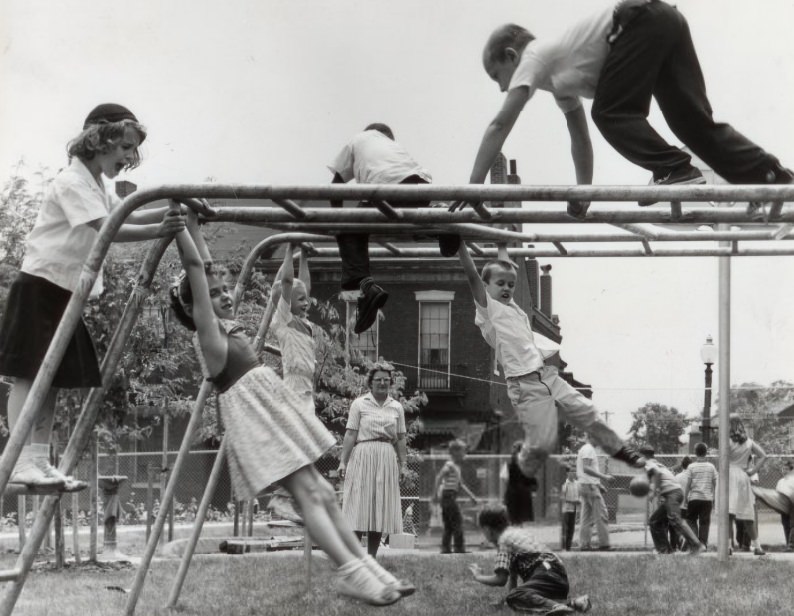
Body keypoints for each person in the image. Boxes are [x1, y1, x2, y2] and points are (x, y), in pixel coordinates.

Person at [169, 215, 411, 605]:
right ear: (196, 304)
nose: (226, 295)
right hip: (256, 420)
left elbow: (205, 264)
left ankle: (367, 566)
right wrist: (180, 224)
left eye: (226, 289)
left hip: (270, 409)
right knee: (309, 495)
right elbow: (196, 267)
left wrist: (195, 223)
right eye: (214, 294)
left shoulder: (227, 325)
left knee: (323, 493)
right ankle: (351, 573)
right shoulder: (208, 335)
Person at [0, 103, 192, 493]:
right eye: (124, 147)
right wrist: (162, 229)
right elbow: (108, 229)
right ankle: (17, 460)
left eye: (132, 151)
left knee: (51, 379)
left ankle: (38, 458)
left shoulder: (94, 185)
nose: (128, 158)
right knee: (30, 376)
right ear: (98, 140)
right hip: (41, 285)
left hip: (66, 290)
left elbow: (125, 215)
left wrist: (167, 216)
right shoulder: (70, 182)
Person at [454, 1, 794, 219]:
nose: (502, 88)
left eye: (498, 76)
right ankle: (772, 177)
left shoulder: (533, 57)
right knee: (692, 125)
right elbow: (580, 139)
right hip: (664, 21)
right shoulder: (559, 79)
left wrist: (473, 185)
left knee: (609, 112)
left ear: (512, 56)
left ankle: (673, 168)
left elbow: (500, 124)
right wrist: (582, 192)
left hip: (639, 20)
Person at [457, 242, 646, 480]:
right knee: (542, 442)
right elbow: (473, 276)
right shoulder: (487, 310)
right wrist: (460, 245)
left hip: (546, 375)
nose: (507, 288)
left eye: (511, 285)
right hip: (524, 384)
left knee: (586, 410)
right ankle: (515, 471)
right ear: (486, 287)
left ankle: (620, 449)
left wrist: (502, 245)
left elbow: (505, 269)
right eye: (500, 284)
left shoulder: (513, 308)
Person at [328, 124, 460, 334]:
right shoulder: (393, 146)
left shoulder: (358, 139)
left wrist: (338, 218)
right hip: (419, 184)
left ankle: (366, 287)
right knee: (408, 223)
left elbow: (336, 184)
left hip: (384, 185)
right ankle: (439, 221)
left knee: (348, 228)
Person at [337, 363, 408, 559]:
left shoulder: (397, 407)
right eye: (378, 379)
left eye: (386, 379)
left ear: (390, 382)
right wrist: (343, 461)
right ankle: (353, 558)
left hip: (386, 457)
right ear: (371, 382)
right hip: (363, 455)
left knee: (379, 508)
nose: (383, 383)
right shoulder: (359, 404)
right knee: (358, 507)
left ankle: (371, 559)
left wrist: (404, 465)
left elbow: (401, 438)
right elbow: (351, 433)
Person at [468, 504, 592, 615]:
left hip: (546, 572)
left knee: (515, 596)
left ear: (488, 530)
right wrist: (508, 601)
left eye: (482, 530)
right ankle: (575, 603)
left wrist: (478, 576)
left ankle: (555, 607)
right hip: (559, 578)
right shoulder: (515, 535)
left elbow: (501, 580)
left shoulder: (504, 541)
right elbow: (513, 578)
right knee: (521, 597)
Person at [639, 446, 704, 555]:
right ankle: (664, 550)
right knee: (654, 521)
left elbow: (657, 474)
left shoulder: (648, 463)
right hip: (674, 493)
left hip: (672, 493)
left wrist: (653, 491)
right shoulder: (659, 463)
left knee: (675, 519)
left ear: (643, 456)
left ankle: (697, 545)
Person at [727, 415, 767, 556]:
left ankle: (728, 546)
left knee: (728, 513)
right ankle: (757, 546)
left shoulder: (726, 440)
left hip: (729, 474)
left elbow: (722, 460)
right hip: (743, 476)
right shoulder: (749, 441)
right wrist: (752, 471)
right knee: (747, 512)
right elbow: (763, 455)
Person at [433, 439, 478, 554]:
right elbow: (439, 477)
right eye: (463, 451)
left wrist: (472, 496)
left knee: (449, 524)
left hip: (450, 496)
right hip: (448, 496)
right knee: (457, 522)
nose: (465, 454)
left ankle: (445, 548)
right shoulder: (450, 464)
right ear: (455, 452)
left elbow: (461, 484)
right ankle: (459, 548)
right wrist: (434, 495)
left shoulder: (456, 467)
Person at [576, 435, 613, 551]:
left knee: (586, 517)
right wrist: (604, 477)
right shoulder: (588, 449)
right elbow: (586, 468)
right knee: (602, 515)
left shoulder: (585, 448)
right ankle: (604, 545)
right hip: (590, 487)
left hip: (585, 485)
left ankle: (584, 545)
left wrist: (599, 484)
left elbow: (585, 471)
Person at [752, 459, 794, 551]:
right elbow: (777, 494)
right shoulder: (781, 481)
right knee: (785, 524)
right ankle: (789, 545)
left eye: (786, 469)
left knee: (792, 525)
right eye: (783, 469)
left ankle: (791, 545)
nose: (784, 471)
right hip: (784, 507)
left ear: (791, 470)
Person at [684, 442, 718, 548]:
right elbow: (715, 484)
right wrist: (715, 498)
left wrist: (685, 497)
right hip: (707, 499)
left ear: (695, 453)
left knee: (691, 520)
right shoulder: (711, 467)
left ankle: (695, 544)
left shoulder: (691, 467)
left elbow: (688, 484)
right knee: (705, 522)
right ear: (706, 453)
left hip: (694, 498)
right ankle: (703, 544)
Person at [503, 440, 539, 526]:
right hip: (522, 494)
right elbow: (533, 481)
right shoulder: (528, 465)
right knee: (518, 520)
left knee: (515, 520)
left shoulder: (510, 465)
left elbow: (505, 480)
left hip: (514, 494)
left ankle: (516, 533)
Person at [669, 456, 692, 551]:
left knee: (677, 525)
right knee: (689, 525)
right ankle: (687, 543)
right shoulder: (692, 477)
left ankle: (676, 543)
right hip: (690, 504)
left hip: (679, 505)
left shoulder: (677, 477)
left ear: (682, 465)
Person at [560, 466, 579, 551]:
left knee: (571, 528)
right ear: (567, 473)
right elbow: (563, 498)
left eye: (574, 471)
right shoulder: (565, 484)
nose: (573, 473)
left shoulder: (577, 483)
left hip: (574, 509)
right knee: (565, 529)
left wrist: (578, 501)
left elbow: (579, 495)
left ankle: (568, 547)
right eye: (571, 471)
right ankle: (563, 547)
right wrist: (573, 502)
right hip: (566, 510)